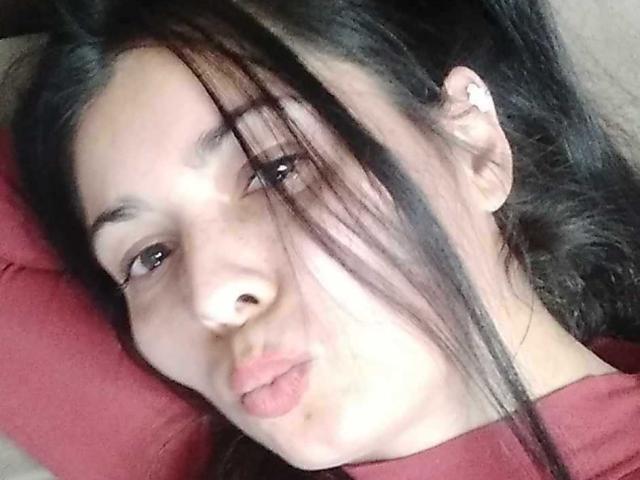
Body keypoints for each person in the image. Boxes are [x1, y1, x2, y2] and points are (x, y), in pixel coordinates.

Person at [10, 0, 640, 478]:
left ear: (473, 145)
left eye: (274, 170)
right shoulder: (186, 447)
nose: (208, 297)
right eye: (149, 255)